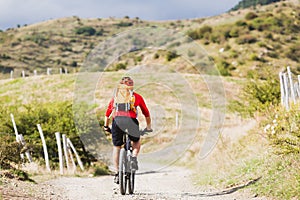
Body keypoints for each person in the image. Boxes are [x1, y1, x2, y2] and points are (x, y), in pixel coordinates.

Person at [103, 76, 152, 184]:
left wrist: (106, 126)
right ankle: (133, 158)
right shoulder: (137, 97)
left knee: (116, 146)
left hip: (117, 121)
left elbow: (107, 115)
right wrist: (148, 127)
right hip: (131, 121)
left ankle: (117, 173)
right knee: (136, 141)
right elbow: (146, 113)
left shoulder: (116, 97)